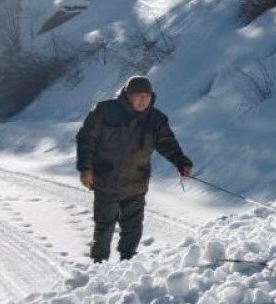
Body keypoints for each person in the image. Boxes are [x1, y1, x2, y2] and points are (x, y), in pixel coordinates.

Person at [76, 76, 192, 262]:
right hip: (106, 180)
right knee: (105, 225)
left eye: (147, 96)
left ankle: (127, 262)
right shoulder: (105, 111)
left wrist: (182, 163)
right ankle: (99, 264)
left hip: (136, 181)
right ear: (127, 95)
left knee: (133, 225)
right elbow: (86, 139)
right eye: (138, 96)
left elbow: (167, 144)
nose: (143, 100)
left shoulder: (156, 119)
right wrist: (85, 167)